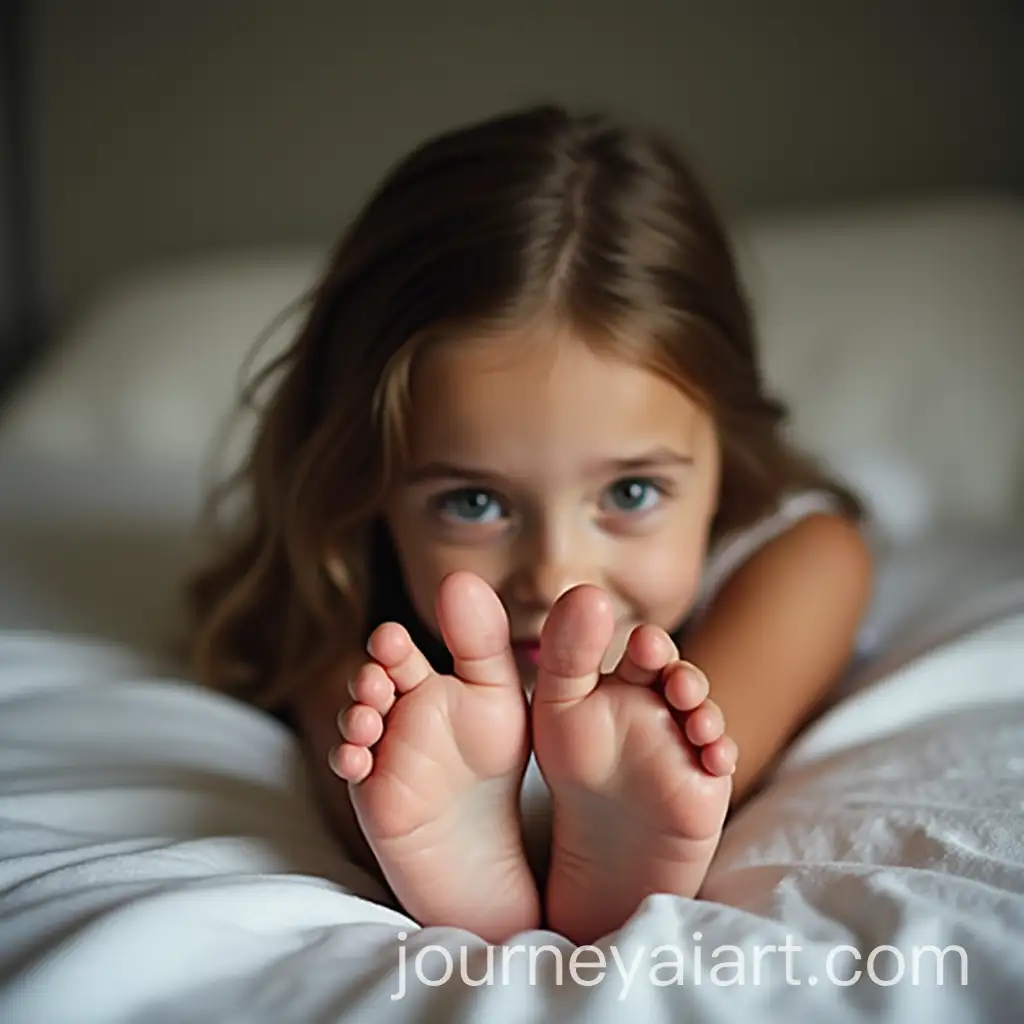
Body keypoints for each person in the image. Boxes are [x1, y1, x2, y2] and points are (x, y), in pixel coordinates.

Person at [186, 103, 874, 948]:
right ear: (368, 483)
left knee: (679, 745)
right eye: (474, 502)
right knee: (368, 714)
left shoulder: (801, 556)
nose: (556, 577)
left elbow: (698, 764)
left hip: (656, 755)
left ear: (724, 451)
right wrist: (414, 816)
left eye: (630, 494)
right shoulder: (344, 564)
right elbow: (327, 682)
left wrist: (589, 834)